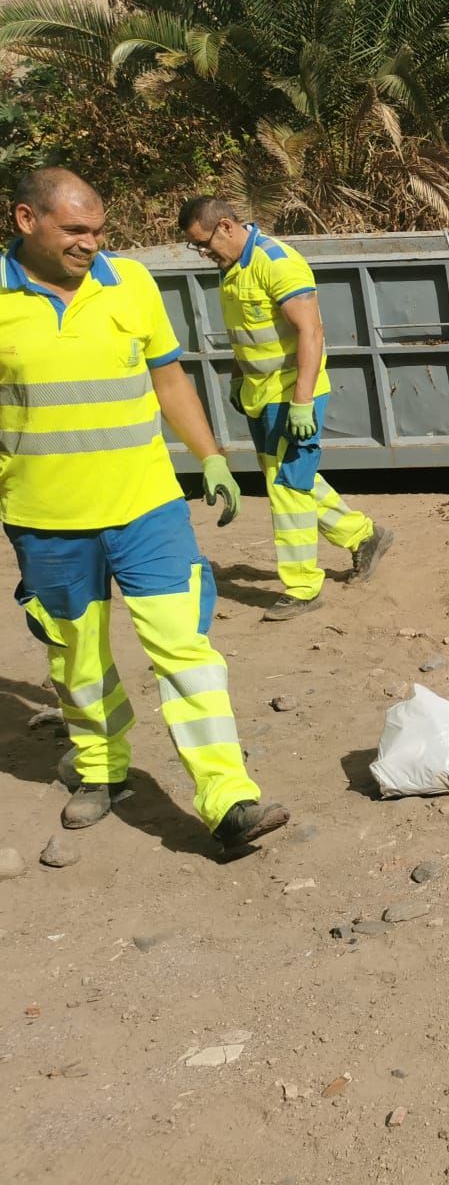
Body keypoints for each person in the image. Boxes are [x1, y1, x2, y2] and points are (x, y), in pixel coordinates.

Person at [2, 168, 288, 849]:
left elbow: (166, 376)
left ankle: (228, 796)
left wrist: (210, 455)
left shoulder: (129, 283)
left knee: (185, 649)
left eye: (99, 230)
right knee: (75, 656)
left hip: (147, 509)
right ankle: (102, 771)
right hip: (46, 520)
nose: (91, 244)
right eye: (76, 230)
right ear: (25, 220)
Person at [178, 197, 392, 619]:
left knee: (288, 487)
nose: (203, 254)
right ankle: (363, 535)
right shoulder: (232, 269)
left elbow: (311, 332)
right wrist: (240, 378)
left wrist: (302, 402)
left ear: (225, 226)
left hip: (293, 395)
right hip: (262, 395)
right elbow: (246, 334)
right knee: (289, 477)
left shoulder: (276, 263)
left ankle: (302, 587)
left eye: (203, 244)